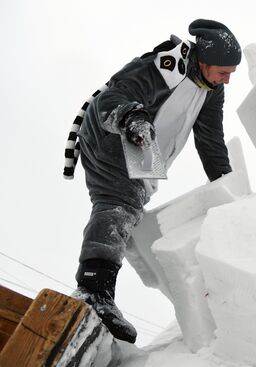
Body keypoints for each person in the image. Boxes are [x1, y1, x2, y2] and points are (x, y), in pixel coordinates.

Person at [62, 19, 241, 343]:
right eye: (224, 71)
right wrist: (131, 118)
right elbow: (115, 95)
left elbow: (210, 140)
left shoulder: (212, 91)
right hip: (114, 129)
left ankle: (100, 288)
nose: (227, 79)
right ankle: (92, 290)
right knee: (120, 202)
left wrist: (227, 182)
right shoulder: (169, 63)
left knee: (130, 207)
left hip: (144, 144)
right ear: (204, 59)